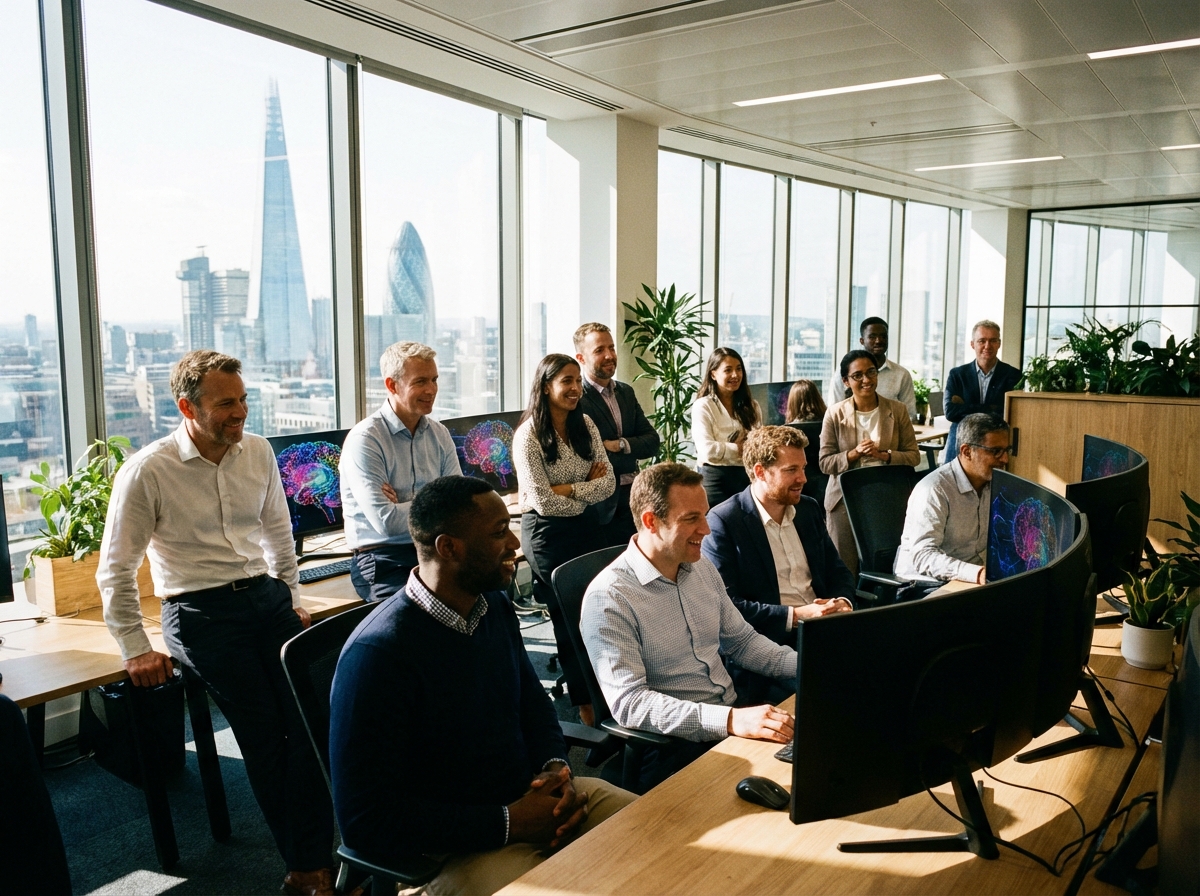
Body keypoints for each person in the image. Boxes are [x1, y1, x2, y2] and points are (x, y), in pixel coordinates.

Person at [95, 350, 334, 896]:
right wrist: (134, 646)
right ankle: (308, 867)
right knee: (266, 733)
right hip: (199, 612)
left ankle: (326, 848)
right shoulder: (149, 470)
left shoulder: (258, 453)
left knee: (313, 717)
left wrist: (291, 593)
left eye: (243, 399)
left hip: (265, 601)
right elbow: (116, 569)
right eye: (226, 403)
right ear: (187, 406)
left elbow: (278, 530)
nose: (240, 412)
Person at [329, 476, 635, 896]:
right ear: (448, 547)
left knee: (656, 829)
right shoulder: (379, 655)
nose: (514, 543)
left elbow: (533, 704)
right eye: (497, 533)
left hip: (529, 802)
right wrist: (509, 822)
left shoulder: (493, 606)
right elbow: (365, 821)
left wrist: (554, 768)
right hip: (448, 852)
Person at [581, 463, 796, 792]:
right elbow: (630, 705)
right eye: (691, 519)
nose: (706, 530)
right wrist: (729, 721)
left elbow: (743, 642)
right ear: (652, 521)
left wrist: (811, 663)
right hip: (671, 746)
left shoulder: (700, 567)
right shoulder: (610, 597)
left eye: (705, 515)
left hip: (731, 716)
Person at [703, 426, 855, 704]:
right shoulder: (724, 521)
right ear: (760, 472)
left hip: (826, 629)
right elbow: (727, 606)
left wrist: (843, 602)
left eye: (803, 468)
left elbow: (838, 570)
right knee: (840, 685)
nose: (803, 479)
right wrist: (796, 615)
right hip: (769, 641)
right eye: (791, 470)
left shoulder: (807, 509)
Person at [513, 354, 615, 727]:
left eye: (577, 381)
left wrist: (568, 489)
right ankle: (586, 706)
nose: (575, 389)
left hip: (584, 528)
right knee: (568, 619)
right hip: (546, 535)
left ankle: (610, 692)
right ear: (545, 386)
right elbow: (540, 500)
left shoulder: (585, 424)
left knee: (599, 610)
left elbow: (606, 485)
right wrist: (584, 488)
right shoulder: (528, 436)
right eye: (566, 382)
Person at [340, 341, 462, 603]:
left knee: (492, 596)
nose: (431, 390)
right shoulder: (366, 439)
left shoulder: (439, 434)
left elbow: (461, 505)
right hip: (383, 558)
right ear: (392, 385)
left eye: (434, 380)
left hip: (434, 549)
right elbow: (387, 524)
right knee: (415, 617)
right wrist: (438, 500)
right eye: (420, 382)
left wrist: (409, 504)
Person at [819, 349, 920, 576]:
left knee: (886, 565)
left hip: (886, 495)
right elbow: (824, 463)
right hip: (843, 499)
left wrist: (884, 455)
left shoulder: (897, 410)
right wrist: (853, 453)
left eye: (871, 372)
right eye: (858, 376)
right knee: (844, 568)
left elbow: (913, 456)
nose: (866, 380)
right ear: (846, 381)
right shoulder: (834, 414)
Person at [894, 413, 1011, 585]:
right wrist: (975, 573)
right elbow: (923, 556)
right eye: (996, 451)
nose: (1005, 459)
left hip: (966, 580)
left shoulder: (994, 483)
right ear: (967, 451)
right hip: (922, 583)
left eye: (1007, 450)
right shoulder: (934, 489)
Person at [574, 322, 662, 547]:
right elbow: (586, 455)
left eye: (611, 348)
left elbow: (652, 442)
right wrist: (630, 452)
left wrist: (619, 445)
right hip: (603, 504)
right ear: (581, 359)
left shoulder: (625, 392)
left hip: (635, 496)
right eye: (599, 350)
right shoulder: (577, 399)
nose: (609, 355)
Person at [691, 347, 761, 508]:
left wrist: (724, 448)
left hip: (746, 477)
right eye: (728, 370)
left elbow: (758, 446)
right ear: (713, 374)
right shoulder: (704, 406)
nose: (735, 375)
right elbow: (707, 451)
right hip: (715, 480)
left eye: (738, 369)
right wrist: (738, 448)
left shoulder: (752, 406)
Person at [943, 320, 1023, 459]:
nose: (987, 346)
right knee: (952, 478)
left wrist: (966, 407)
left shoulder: (1013, 375)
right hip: (962, 437)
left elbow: (1012, 412)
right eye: (982, 341)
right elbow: (951, 412)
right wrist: (990, 408)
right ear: (972, 344)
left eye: (993, 340)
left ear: (999, 343)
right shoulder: (957, 375)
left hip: (995, 440)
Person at [825, 317, 917, 420]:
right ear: (862, 341)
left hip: (890, 434)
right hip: (851, 432)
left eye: (883, 336)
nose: (878, 341)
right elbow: (834, 410)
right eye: (872, 337)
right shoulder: (845, 372)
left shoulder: (901, 374)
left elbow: (910, 414)